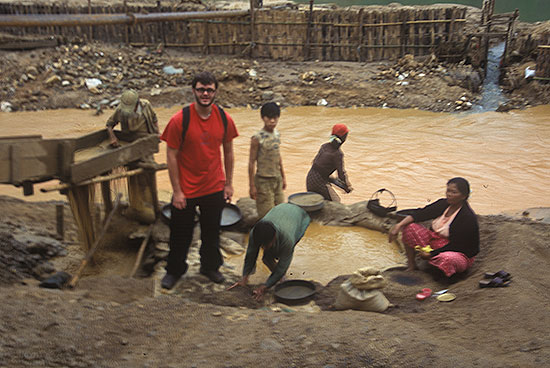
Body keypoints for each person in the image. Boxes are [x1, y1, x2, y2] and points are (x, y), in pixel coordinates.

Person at [160, 71, 239, 289]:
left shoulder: (224, 118)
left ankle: (210, 267)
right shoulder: (180, 120)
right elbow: (171, 155)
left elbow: (229, 152)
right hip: (186, 189)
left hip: (214, 185)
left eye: (209, 90)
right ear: (194, 91)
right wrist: (176, 191)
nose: (205, 93)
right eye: (201, 89)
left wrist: (229, 183)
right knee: (180, 233)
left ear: (216, 92)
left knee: (212, 231)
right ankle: (174, 270)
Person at [388, 177, 479, 277]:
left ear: (463, 196)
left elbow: (457, 245)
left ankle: (442, 276)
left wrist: (432, 254)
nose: (449, 194)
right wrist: (398, 225)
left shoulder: (467, 217)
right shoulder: (443, 204)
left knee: (448, 259)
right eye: (448, 190)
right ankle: (411, 265)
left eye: (453, 192)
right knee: (410, 227)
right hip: (434, 241)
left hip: (457, 251)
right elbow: (420, 214)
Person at [228, 203, 311, 301]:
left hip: (298, 216)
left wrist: (265, 287)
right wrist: (244, 279)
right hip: (279, 210)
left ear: (275, 237)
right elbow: (250, 256)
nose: (264, 248)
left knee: (272, 257)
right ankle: (279, 278)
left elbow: (282, 265)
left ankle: (281, 278)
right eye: (262, 246)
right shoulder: (254, 233)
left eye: (267, 245)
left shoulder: (287, 239)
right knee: (267, 258)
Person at [248, 102, 286, 219]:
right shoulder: (257, 138)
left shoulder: (277, 134)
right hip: (263, 180)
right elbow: (251, 162)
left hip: (277, 178)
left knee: (281, 209)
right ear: (263, 118)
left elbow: (278, 156)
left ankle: (279, 235)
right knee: (266, 215)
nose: (272, 121)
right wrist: (252, 185)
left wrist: (283, 177)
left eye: (275, 118)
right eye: (269, 118)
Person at [306, 123, 353, 202]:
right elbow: (341, 174)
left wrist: (342, 186)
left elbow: (318, 167)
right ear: (344, 137)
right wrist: (347, 186)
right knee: (336, 201)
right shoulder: (337, 154)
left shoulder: (324, 146)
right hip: (319, 182)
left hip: (310, 179)